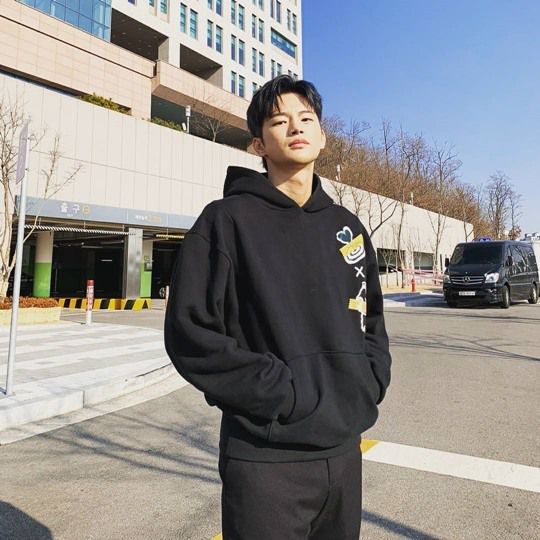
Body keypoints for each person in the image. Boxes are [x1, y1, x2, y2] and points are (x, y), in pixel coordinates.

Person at [164, 75, 391, 540]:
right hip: (265, 460)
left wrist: (369, 380)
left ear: (323, 136)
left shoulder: (347, 228)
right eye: (279, 121)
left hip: (344, 453)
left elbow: (372, 321)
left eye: (306, 118)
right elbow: (191, 332)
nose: (295, 127)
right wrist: (279, 393)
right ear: (258, 144)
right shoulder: (226, 222)